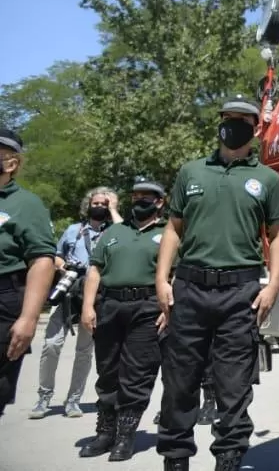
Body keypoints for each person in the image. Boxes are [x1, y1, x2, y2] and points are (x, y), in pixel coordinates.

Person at [155, 97, 279, 471]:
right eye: (228, 118)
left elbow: (276, 234)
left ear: (255, 128)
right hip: (190, 288)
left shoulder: (267, 179)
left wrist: (273, 285)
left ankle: (228, 459)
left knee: (233, 386)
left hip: (240, 293)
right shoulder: (191, 172)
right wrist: (161, 279)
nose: (233, 125)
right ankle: (176, 458)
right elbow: (173, 229)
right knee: (179, 382)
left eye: (242, 120)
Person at [78, 180, 169, 460]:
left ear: (160, 202)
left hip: (147, 307)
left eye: (147, 197)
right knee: (107, 370)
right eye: (136, 196)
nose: (140, 200)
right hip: (110, 305)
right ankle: (105, 432)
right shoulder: (114, 231)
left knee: (137, 373)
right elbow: (95, 269)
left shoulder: (168, 233)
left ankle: (125, 436)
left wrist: (169, 308)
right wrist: (87, 306)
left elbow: (176, 275)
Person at [30, 185, 121, 418]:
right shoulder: (73, 230)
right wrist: (63, 267)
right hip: (69, 292)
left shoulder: (115, 231)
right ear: (87, 205)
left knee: (84, 350)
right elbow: (57, 256)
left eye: (104, 204)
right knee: (52, 344)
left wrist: (113, 209)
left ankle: (73, 400)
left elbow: (124, 235)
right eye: (95, 203)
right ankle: (44, 396)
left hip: (95, 295)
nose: (99, 207)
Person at [0, 126, 57, 421]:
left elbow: (42, 261)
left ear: (11, 163)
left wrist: (29, 318)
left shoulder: (26, 204)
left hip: (5, 298)